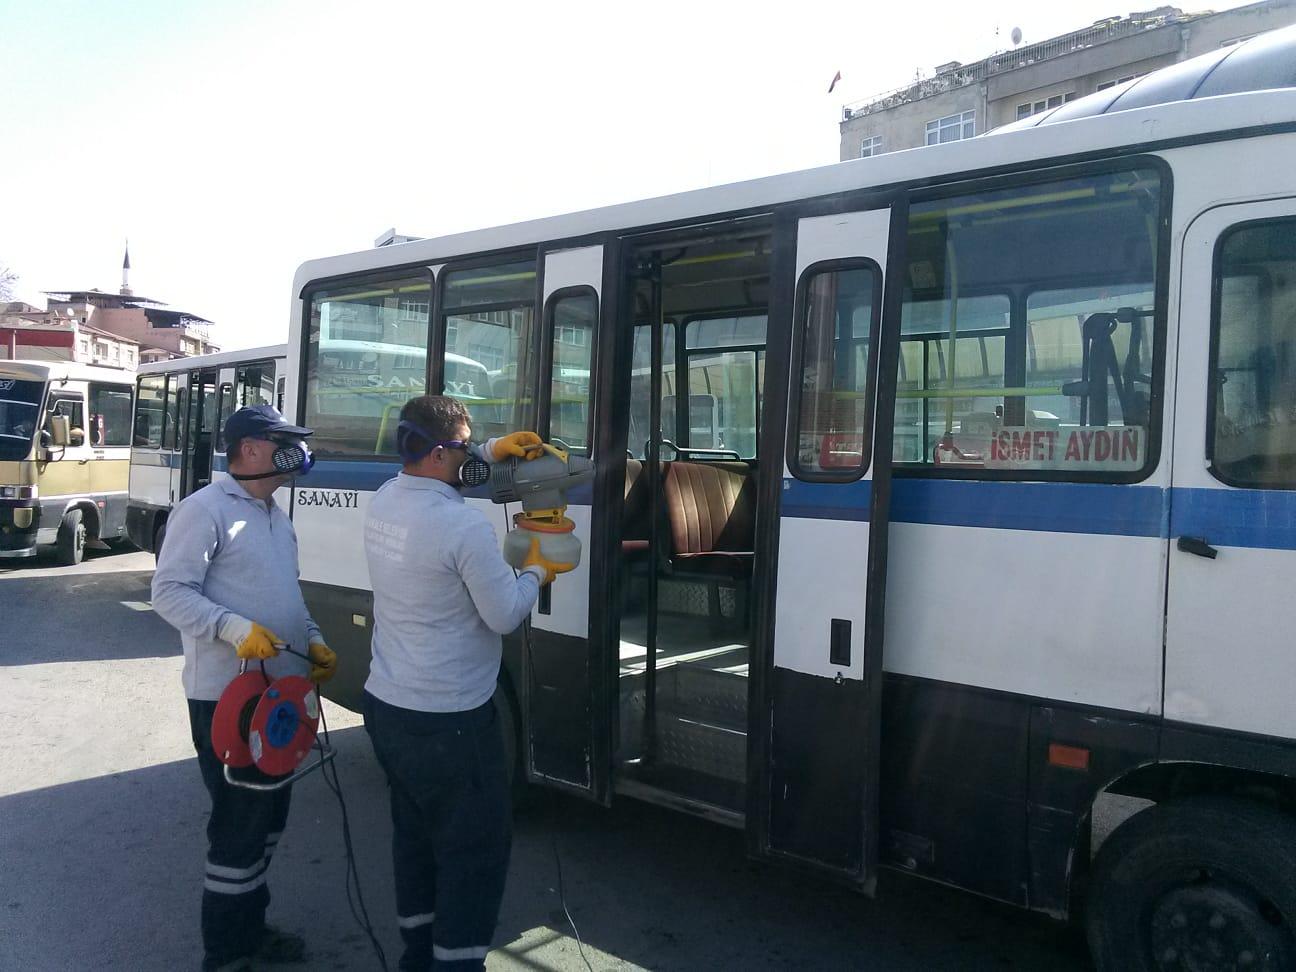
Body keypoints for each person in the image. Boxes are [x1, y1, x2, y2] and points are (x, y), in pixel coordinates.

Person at [362, 395, 573, 972]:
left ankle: (418, 958)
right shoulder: (461, 526)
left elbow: (432, 461)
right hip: (450, 722)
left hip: (388, 707)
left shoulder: (385, 500)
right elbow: (504, 614)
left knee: (416, 843)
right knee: (472, 855)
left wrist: (487, 450)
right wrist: (537, 566)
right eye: (463, 449)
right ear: (435, 454)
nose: (470, 462)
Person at [152, 404, 338, 972]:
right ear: (251, 449)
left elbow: (287, 594)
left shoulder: (275, 516)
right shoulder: (204, 510)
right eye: (283, 442)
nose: (296, 453)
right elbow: (169, 593)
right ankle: (227, 954)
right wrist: (232, 629)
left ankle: (251, 932)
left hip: (279, 696)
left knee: (268, 823)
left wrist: (312, 639)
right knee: (239, 828)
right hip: (226, 699)